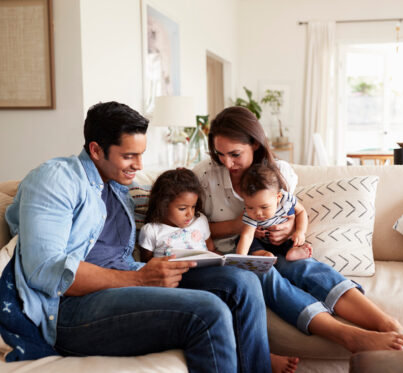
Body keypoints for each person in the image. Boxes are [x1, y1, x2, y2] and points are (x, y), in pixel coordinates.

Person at [4, 101, 298, 373]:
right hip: (71, 309)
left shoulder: (118, 189)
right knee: (208, 312)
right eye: (129, 156)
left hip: (128, 281)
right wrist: (139, 279)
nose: (139, 166)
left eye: (141, 154)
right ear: (96, 150)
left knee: (242, 281)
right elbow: (45, 271)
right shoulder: (56, 180)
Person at [193, 106, 403, 353]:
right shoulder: (205, 175)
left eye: (235, 154)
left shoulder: (279, 172)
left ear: (256, 145)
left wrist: (289, 228)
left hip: (274, 245)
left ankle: (390, 324)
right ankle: (348, 336)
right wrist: (239, 225)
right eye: (220, 154)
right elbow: (193, 229)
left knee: (306, 267)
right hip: (235, 254)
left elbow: (292, 211)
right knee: (264, 275)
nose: (227, 163)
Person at [236, 161, 312, 261]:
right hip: (262, 242)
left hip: (283, 239)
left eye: (264, 207)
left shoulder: (286, 200)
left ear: (278, 197)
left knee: (293, 240)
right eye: (250, 207)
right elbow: (247, 236)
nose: (257, 213)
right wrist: (240, 259)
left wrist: (300, 231)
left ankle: (293, 251)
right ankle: (261, 253)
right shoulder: (250, 215)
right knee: (241, 239)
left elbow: (301, 211)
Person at [139, 168, 215, 261]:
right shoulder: (151, 230)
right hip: (174, 274)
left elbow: (211, 250)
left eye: (193, 207)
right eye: (182, 209)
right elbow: (147, 264)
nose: (190, 214)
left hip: (205, 271)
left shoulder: (200, 220)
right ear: (163, 205)